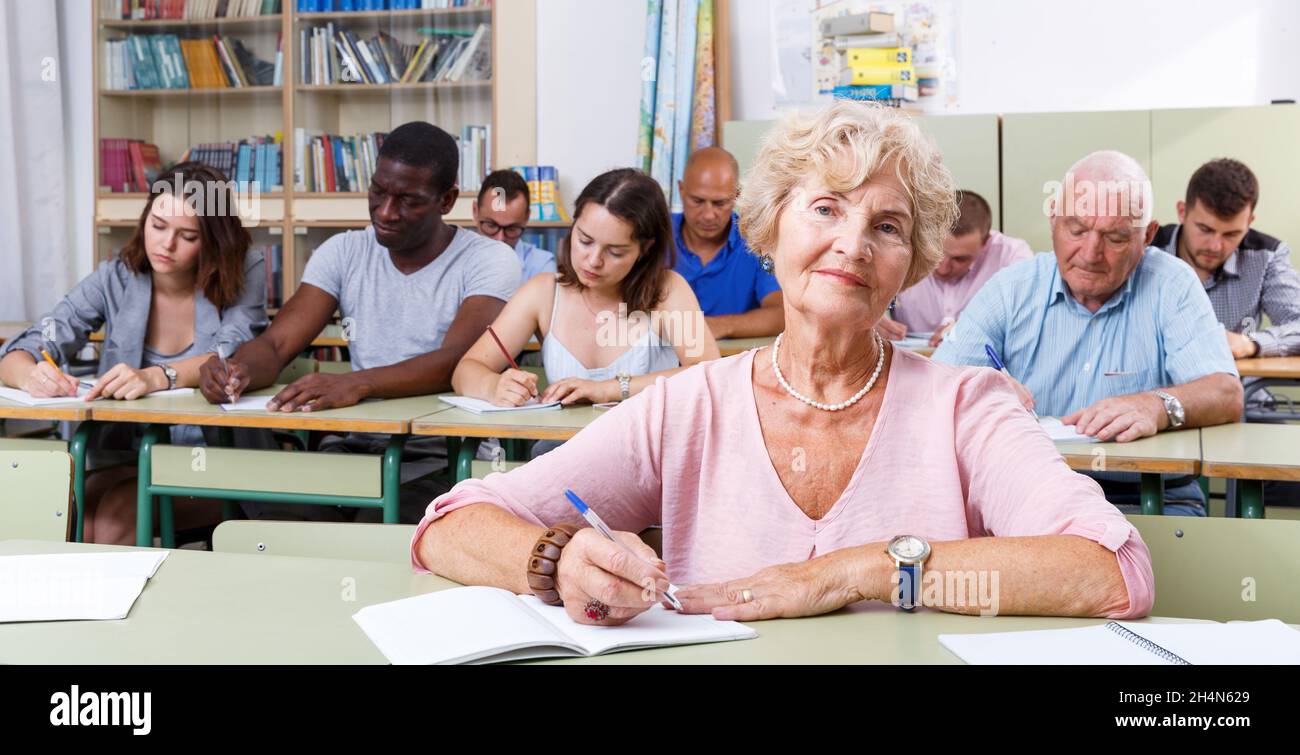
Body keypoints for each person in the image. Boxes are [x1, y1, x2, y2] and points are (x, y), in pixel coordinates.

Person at [412, 102, 1154, 627]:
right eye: (826, 208)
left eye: (886, 225)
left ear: (913, 263)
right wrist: (557, 560)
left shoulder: (968, 406)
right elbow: (448, 525)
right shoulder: (690, 406)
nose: (853, 244)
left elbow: (1114, 570)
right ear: (769, 228)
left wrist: (852, 572)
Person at [198, 121, 521, 521]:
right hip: (354, 452)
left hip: (447, 459)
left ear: (447, 199)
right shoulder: (343, 251)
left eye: (409, 200)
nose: (386, 212)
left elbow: (457, 361)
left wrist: (356, 383)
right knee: (272, 520)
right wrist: (237, 369)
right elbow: (277, 344)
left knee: (369, 533)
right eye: (378, 192)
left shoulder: (489, 260)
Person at [934, 150, 1243, 515]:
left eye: (1115, 237)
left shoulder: (1172, 285)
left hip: (1148, 499)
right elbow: (936, 386)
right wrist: (980, 386)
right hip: (1027, 493)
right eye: (1076, 230)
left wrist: (1156, 405)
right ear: (1053, 220)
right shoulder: (1011, 289)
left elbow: (1226, 394)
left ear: (1148, 235)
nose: (1091, 253)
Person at [0, 162, 267, 543]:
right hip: (130, 455)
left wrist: (155, 376)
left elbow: (232, 354)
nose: (166, 244)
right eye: (157, 226)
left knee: (112, 518)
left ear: (213, 240)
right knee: (66, 509)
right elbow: (27, 345)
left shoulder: (245, 270)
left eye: (187, 235)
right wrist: (31, 375)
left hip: (216, 459)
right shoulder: (117, 276)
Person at [453, 168, 718, 416]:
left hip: (646, 456)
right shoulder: (543, 294)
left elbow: (711, 376)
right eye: (584, 240)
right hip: (561, 451)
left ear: (645, 248)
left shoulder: (669, 291)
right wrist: (493, 386)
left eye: (615, 251)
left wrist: (609, 389)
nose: (593, 261)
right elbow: (466, 370)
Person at [1155, 158, 1300, 358]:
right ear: (1182, 212)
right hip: (1164, 389)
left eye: (1231, 234)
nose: (1215, 246)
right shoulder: (1145, 253)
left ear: (1249, 222)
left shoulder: (1267, 257)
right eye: (1205, 229)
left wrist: (1251, 343)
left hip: (1244, 388)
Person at [886, 190, 1032, 346]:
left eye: (960, 259)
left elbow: (1029, 313)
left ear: (986, 243)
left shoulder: (1010, 255)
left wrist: (975, 327)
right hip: (905, 363)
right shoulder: (897, 245)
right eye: (937, 253)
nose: (942, 268)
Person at [673, 147, 783, 338]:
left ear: (737, 195)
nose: (708, 215)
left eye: (719, 203)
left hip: (727, 362)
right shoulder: (654, 235)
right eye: (698, 201)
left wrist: (718, 326)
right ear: (681, 190)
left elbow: (781, 314)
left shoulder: (758, 240)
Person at [472, 169, 556, 281]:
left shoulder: (542, 266)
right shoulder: (456, 259)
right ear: (475, 211)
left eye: (511, 229)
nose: (500, 239)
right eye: (491, 225)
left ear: (527, 217)